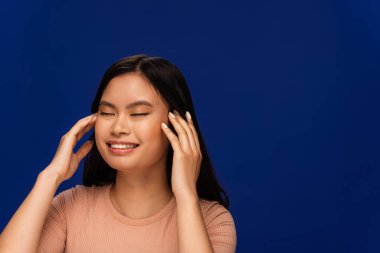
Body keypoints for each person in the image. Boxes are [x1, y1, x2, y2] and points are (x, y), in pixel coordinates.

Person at [0, 54, 237, 253]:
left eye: (138, 114)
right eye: (107, 112)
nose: (118, 128)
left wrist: (186, 195)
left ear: (177, 126)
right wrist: (50, 177)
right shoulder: (69, 207)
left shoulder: (212, 220)